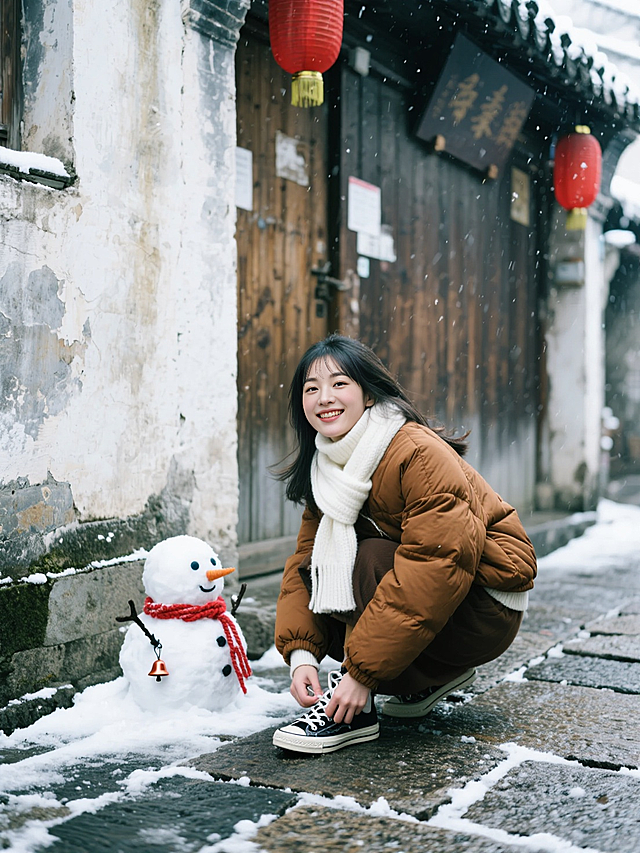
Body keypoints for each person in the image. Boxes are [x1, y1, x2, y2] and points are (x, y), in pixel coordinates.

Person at [272, 334, 536, 754]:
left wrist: (360, 676)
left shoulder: (415, 452)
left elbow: (436, 564)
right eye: (311, 388)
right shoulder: (327, 467)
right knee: (327, 566)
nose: (324, 398)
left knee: (370, 558)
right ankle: (433, 676)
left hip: (484, 606)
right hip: (442, 598)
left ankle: (354, 712)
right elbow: (306, 563)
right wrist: (301, 654)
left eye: (339, 384)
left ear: (370, 395)